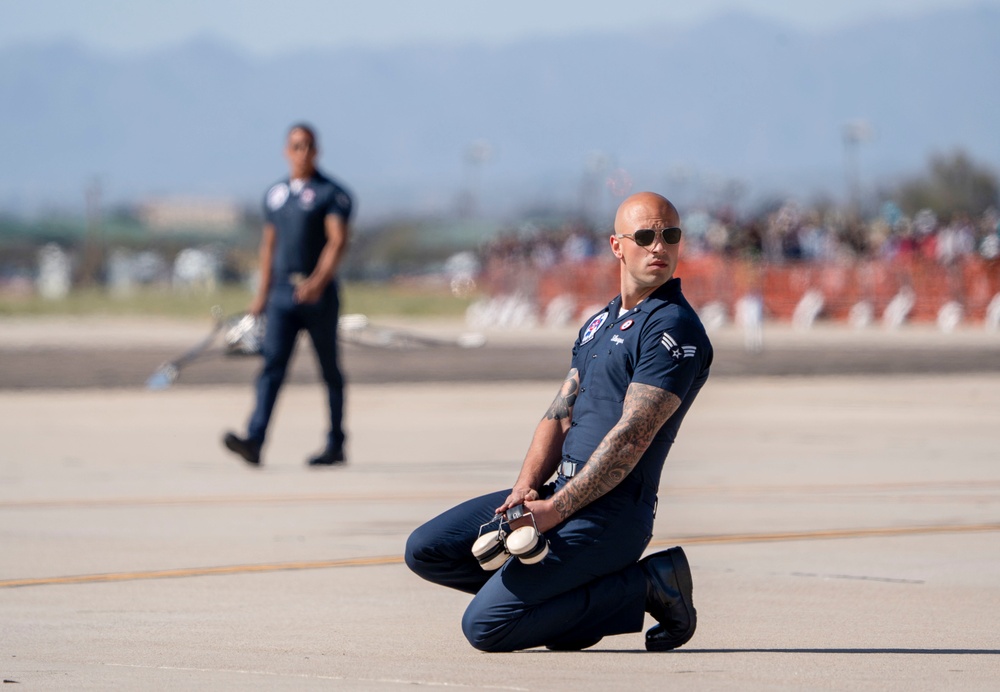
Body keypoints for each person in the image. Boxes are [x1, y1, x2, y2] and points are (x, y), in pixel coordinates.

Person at [405, 191, 713, 652]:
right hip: (558, 493)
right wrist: (525, 489)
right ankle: (569, 610)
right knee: (428, 548)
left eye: (670, 235)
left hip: (611, 513)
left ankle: (648, 584)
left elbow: (630, 438)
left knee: (486, 628)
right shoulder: (600, 324)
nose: (659, 248)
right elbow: (558, 414)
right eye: (646, 236)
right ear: (617, 246)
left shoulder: (672, 326)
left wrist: (555, 512)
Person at [223, 123, 354, 468]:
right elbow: (269, 246)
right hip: (281, 293)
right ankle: (254, 439)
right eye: (296, 146)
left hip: (318, 295)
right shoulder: (276, 195)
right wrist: (260, 296)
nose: (302, 152)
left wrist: (317, 281)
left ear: (317, 151)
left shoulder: (332, 194)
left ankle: (336, 442)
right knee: (271, 367)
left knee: (329, 370)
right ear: (286, 150)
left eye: (308, 146)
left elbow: (337, 241)